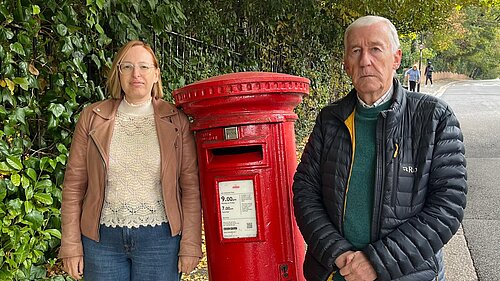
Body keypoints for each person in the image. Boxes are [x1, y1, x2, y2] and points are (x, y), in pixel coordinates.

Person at [293, 15, 467, 281]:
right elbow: (305, 191)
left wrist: (376, 262)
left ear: (396, 58)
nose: (365, 60)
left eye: (375, 49)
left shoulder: (433, 117)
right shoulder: (330, 119)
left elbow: (448, 205)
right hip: (335, 272)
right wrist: (338, 253)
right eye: (355, 51)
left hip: (406, 274)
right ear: (346, 64)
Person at [59, 40, 202, 280]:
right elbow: (73, 186)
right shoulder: (92, 117)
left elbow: (190, 188)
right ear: (118, 73)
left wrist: (190, 244)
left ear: (156, 74)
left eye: (144, 67)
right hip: (100, 242)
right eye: (127, 67)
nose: (136, 74)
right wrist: (71, 246)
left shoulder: (176, 121)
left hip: (161, 242)